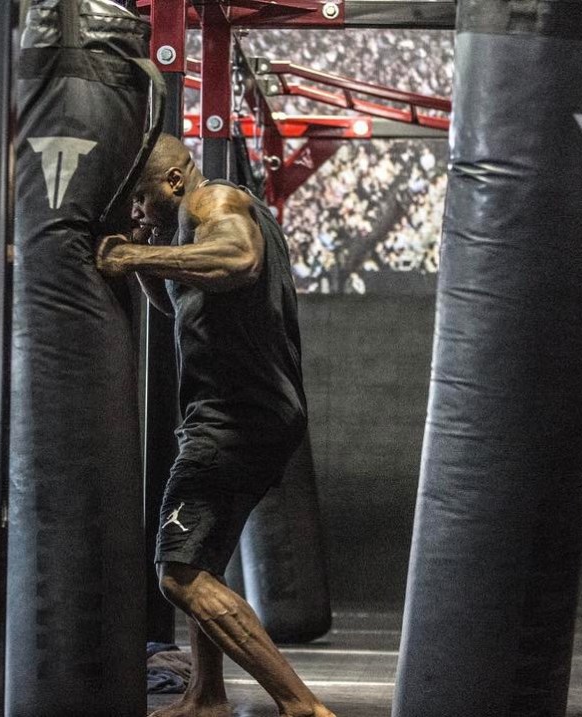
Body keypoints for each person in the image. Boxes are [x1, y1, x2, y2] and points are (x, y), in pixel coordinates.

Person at [97, 134, 335, 717]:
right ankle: (206, 696)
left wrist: (132, 257)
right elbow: (183, 301)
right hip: (252, 413)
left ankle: (302, 706)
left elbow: (239, 258)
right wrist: (149, 263)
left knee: (179, 573)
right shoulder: (190, 224)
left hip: (233, 418)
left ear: (175, 183)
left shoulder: (215, 202)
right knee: (211, 554)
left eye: (140, 200)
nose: (136, 213)